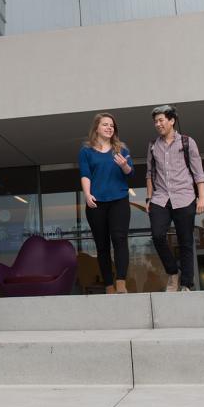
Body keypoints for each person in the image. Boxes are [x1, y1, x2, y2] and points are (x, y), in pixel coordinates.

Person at [146, 105, 204, 292]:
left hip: (185, 197)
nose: (158, 124)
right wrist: (149, 198)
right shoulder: (153, 146)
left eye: (161, 120)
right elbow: (149, 174)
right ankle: (173, 272)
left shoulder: (188, 142)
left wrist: (202, 197)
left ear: (171, 120)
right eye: (155, 121)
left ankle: (187, 283)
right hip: (160, 198)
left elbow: (198, 172)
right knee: (157, 236)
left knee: (185, 241)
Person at [79, 113, 134, 294]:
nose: (109, 127)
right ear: (97, 128)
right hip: (96, 203)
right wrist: (87, 195)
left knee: (119, 240)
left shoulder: (121, 150)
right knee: (102, 246)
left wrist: (125, 166)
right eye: (105, 125)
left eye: (112, 125)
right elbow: (85, 174)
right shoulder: (86, 151)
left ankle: (121, 283)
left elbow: (130, 174)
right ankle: (109, 285)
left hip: (119, 200)